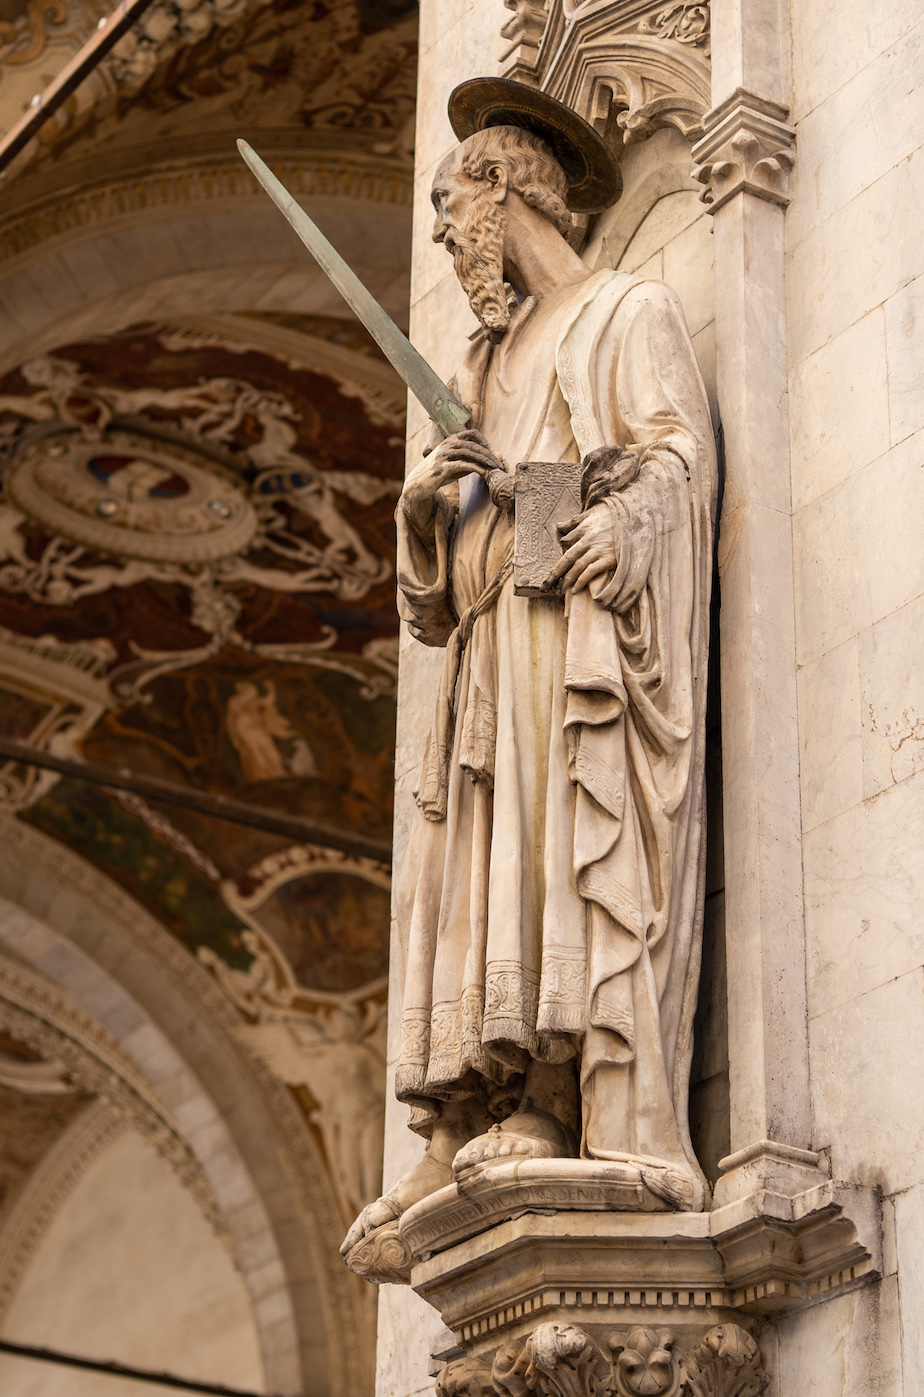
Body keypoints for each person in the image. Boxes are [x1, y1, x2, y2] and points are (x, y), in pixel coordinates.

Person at [342, 79, 718, 1281]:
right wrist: (424, 518)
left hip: (570, 643)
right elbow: (436, 600)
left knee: (558, 869)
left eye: (453, 208)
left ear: (507, 190)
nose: (448, 240)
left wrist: (602, 518)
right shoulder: (483, 361)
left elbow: (672, 461)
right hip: (487, 655)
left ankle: (559, 1095)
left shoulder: (623, 312)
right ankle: (461, 1114)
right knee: (476, 889)